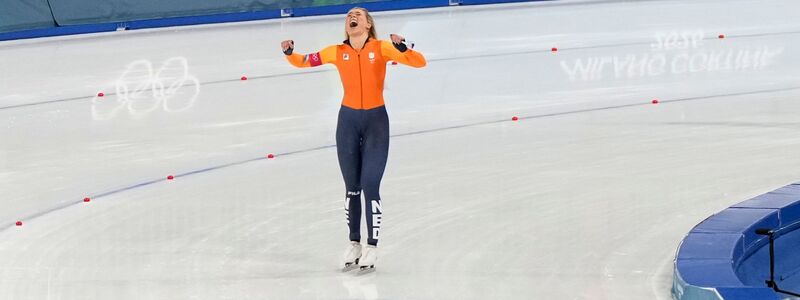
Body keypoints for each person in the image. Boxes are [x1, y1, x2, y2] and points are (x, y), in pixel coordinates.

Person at [281, 7, 426, 273]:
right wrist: (289, 52)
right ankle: (354, 243)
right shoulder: (337, 51)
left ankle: (372, 245)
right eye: (348, 14)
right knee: (352, 187)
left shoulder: (383, 48)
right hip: (347, 123)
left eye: (358, 13)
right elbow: (304, 61)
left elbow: (419, 62)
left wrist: (403, 47)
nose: (352, 16)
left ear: (368, 23)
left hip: (376, 123)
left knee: (371, 185)